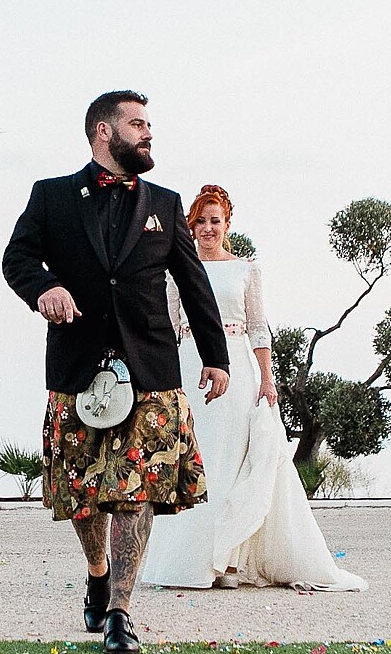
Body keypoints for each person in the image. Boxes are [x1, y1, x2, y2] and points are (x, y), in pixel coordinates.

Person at [2, 90, 232, 654]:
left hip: (151, 367)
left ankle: (121, 611)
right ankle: (98, 570)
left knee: (136, 493)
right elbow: (17, 259)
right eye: (137, 123)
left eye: (149, 122)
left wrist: (215, 356)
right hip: (78, 367)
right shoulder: (51, 197)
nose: (148, 132)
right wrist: (45, 289)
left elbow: (193, 283)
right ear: (104, 132)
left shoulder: (166, 202)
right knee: (82, 495)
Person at [141, 184, 367, 592]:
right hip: (191, 364)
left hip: (239, 367)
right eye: (201, 222)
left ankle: (228, 559)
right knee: (199, 458)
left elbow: (259, 327)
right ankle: (193, 560)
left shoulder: (246, 269)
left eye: (216, 221)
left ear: (227, 225)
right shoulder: (178, 271)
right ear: (190, 226)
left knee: (234, 458)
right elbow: (170, 326)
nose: (208, 229)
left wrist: (267, 377)